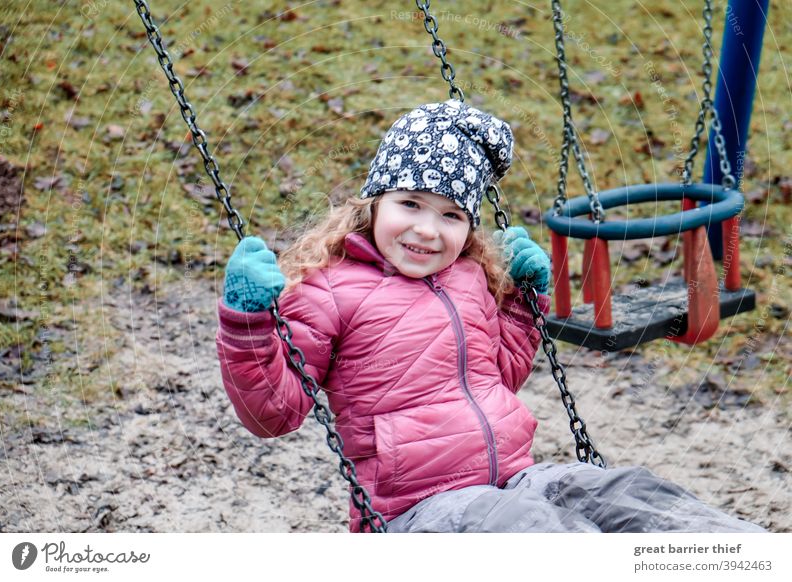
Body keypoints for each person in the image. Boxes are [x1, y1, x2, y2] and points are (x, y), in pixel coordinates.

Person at [215, 100, 765, 533]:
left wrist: (526, 302)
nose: (428, 230)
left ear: (470, 227)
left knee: (633, 496)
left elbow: (499, 374)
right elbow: (272, 415)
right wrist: (247, 323)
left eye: (451, 215)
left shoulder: (470, 277)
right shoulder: (330, 290)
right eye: (410, 204)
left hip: (517, 480)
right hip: (421, 514)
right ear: (373, 204)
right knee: (548, 537)